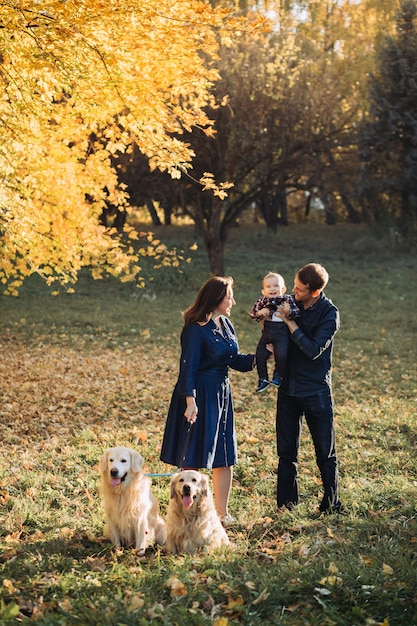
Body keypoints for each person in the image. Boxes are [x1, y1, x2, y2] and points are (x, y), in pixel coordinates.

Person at [160, 276, 255, 527]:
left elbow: (233, 359)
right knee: (193, 454)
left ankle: (221, 513)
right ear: (215, 299)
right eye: (228, 297)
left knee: (224, 453)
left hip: (221, 393)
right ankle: (185, 517)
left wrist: (262, 356)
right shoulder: (195, 328)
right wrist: (190, 401)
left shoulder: (225, 324)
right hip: (199, 393)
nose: (233, 301)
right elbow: (188, 367)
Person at [275, 263, 343, 513]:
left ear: (315, 292)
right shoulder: (290, 303)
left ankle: (332, 504)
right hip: (288, 389)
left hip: (316, 391)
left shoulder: (329, 314)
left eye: (300, 290)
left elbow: (313, 349)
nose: (294, 292)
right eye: (294, 286)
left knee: (325, 452)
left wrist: (290, 324)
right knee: (286, 453)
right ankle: (286, 505)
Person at [249, 272, 300, 393]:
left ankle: (278, 375)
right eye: (268, 286)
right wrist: (260, 313)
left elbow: (297, 312)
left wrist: (289, 311)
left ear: (283, 289)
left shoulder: (287, 299)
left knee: (281, 355)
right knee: (260, 355)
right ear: (263, 291)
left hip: (281, 334)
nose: (272, 289)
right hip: (267, 332)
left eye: (276, 286)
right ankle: (263, 378)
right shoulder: (262, 301)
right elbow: (253, 314)